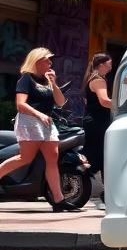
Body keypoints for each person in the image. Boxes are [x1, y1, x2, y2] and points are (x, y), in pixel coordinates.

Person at [0, 47, 79, 211]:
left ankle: (58, 200)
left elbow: (60, 102)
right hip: (30, 121)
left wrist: (54, 83)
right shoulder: (26, 78)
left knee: (52, 159)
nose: (50, 63)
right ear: (37, 61)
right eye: (47, 60)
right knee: (25, 158)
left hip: (47, 122)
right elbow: (21, 104)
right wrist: (39, 115)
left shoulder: (47, 80)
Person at [82, 53, 113, 180]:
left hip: (93, 121)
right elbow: (104, 101)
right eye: (109, 65)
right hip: (98, 122)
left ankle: (82, 181)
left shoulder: (91, 79)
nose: (110, 68)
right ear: (101, 65)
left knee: (94, 154)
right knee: (99, 155)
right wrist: (123, 106)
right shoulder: (99, 80)